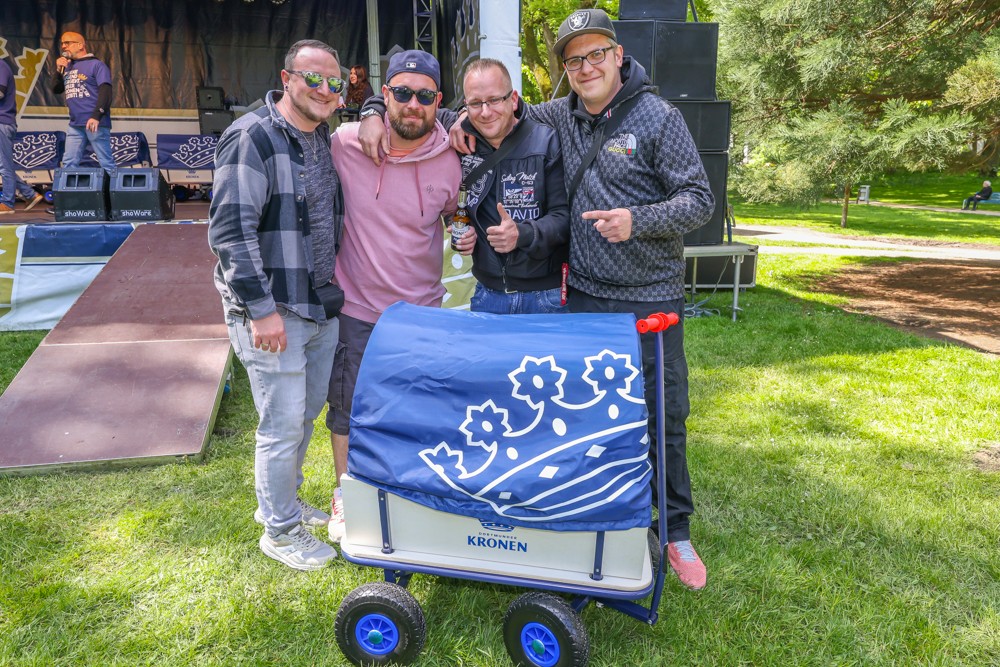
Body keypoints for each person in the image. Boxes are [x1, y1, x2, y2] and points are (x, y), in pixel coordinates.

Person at [360, 9, 714, 590]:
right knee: (592, 423)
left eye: (596, 54)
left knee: (662, 416)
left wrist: (639, 220)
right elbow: (470, 108)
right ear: (564, 71)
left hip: (650, 301)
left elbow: (698, 199)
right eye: (574, 59)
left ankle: (674, 532)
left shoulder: (658, 117)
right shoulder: (558, 115)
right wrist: (377, 109)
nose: (586, 67)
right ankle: (598, 519)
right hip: (583, 304)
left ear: (618, 56)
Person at [208, 39, 345, 571]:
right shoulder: (253, 135)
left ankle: (286, 503)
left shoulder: (321, 137)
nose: (324, 90)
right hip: (273, 310)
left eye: (334, 83)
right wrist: (261, 310)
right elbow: (229, 231)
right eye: (313, 78)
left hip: (317, 306)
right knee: (282, 425)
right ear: (286, 78)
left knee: (303, 418)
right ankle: (280, 531)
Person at [325, 49, 465, 543]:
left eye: (424, 96)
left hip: (421, 314)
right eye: (401, 93)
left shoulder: (455, 157)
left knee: (416, 409)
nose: (412, 104)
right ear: (385, 96)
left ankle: (407, 491)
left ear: (438, 102)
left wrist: (464, 232)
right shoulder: (345, 143)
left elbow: (456, 216)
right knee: (348, 408)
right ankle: (346, 494)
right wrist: (364, 115)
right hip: (358, 309)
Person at [355, 58, 570, 313]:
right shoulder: (458, 137)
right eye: (476, 103)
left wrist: (522, 234)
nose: (486, 112)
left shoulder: (545, 141)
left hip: (545, 296)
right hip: (488, 295)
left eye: (494, 100)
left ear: (513, 99)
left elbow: (563, 217)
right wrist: (371, 113)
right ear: (465, 106)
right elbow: (404, 101)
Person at [51, 32, 116, 174]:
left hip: (94, 122)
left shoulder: (96, 65)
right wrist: (58, 71)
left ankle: (113, 195)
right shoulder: (67, 66)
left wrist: (96, 115)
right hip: (75, 124)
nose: (63, 46)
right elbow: (56, 89)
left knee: (106, 163)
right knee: (69, 163)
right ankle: (70, 195)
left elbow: (106, 91)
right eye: (62, 43)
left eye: (67, 43)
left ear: (80, 45)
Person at [0, 57, 44, 215]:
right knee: (3, 164)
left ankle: (7, 202)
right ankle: (29, 194)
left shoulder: (0, 65)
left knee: (4, 165)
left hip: (2, 122)